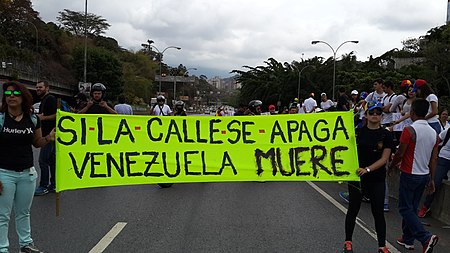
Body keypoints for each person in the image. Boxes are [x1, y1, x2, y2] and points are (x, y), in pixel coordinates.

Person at [0, 81, 55, 253]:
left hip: (27, 174)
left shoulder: (32, 119)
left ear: (23, 97)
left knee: (24, 212)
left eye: (15, 94)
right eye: (8, 94)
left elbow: (37, 143)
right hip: (4, 174)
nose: (11, 97)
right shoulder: (1, 119)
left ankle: (26, 244)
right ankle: (3, 248)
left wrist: (49, 138)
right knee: (3, 215)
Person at [342, 100, 393, 253]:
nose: (375, 115)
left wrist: (368, 169)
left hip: (376, 178)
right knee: (353, 210)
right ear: (366, 115)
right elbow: (345, 151)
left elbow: (385, 159)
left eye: (378, 113)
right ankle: (348, 241)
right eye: (372, 112)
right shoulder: (356, 132)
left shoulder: (386, 135)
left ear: (382, 116)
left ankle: (382, 246)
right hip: (357, 178)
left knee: (378, 212)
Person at [389, 98, 439, 253]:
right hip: (424, 175)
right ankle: (408, 239)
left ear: (413, 112)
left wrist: (391, 166)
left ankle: (425, 237)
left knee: (405, 208)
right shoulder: (434, 133)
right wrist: (432, 179)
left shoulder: (409, 130)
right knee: (412, 208)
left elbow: (400, 153)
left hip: (410, 174)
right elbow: (434, 158)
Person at [417, 126, 450, 218]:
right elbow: (437, 141)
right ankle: (426, 206)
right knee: (435, 181)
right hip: (445, 157)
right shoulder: (448, 131)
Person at [34, 80, 57, 196]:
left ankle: (44, 186)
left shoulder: (50, 99)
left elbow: (56, 115)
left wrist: (41, 119)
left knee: (43, 161)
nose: (38, 89)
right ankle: (53, 184)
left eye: (40, 87)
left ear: (47, 88)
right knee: (52, 161)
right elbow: (45, 114)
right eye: (37, 87)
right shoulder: (44, 100)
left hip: (49, 134)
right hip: (48, 134)